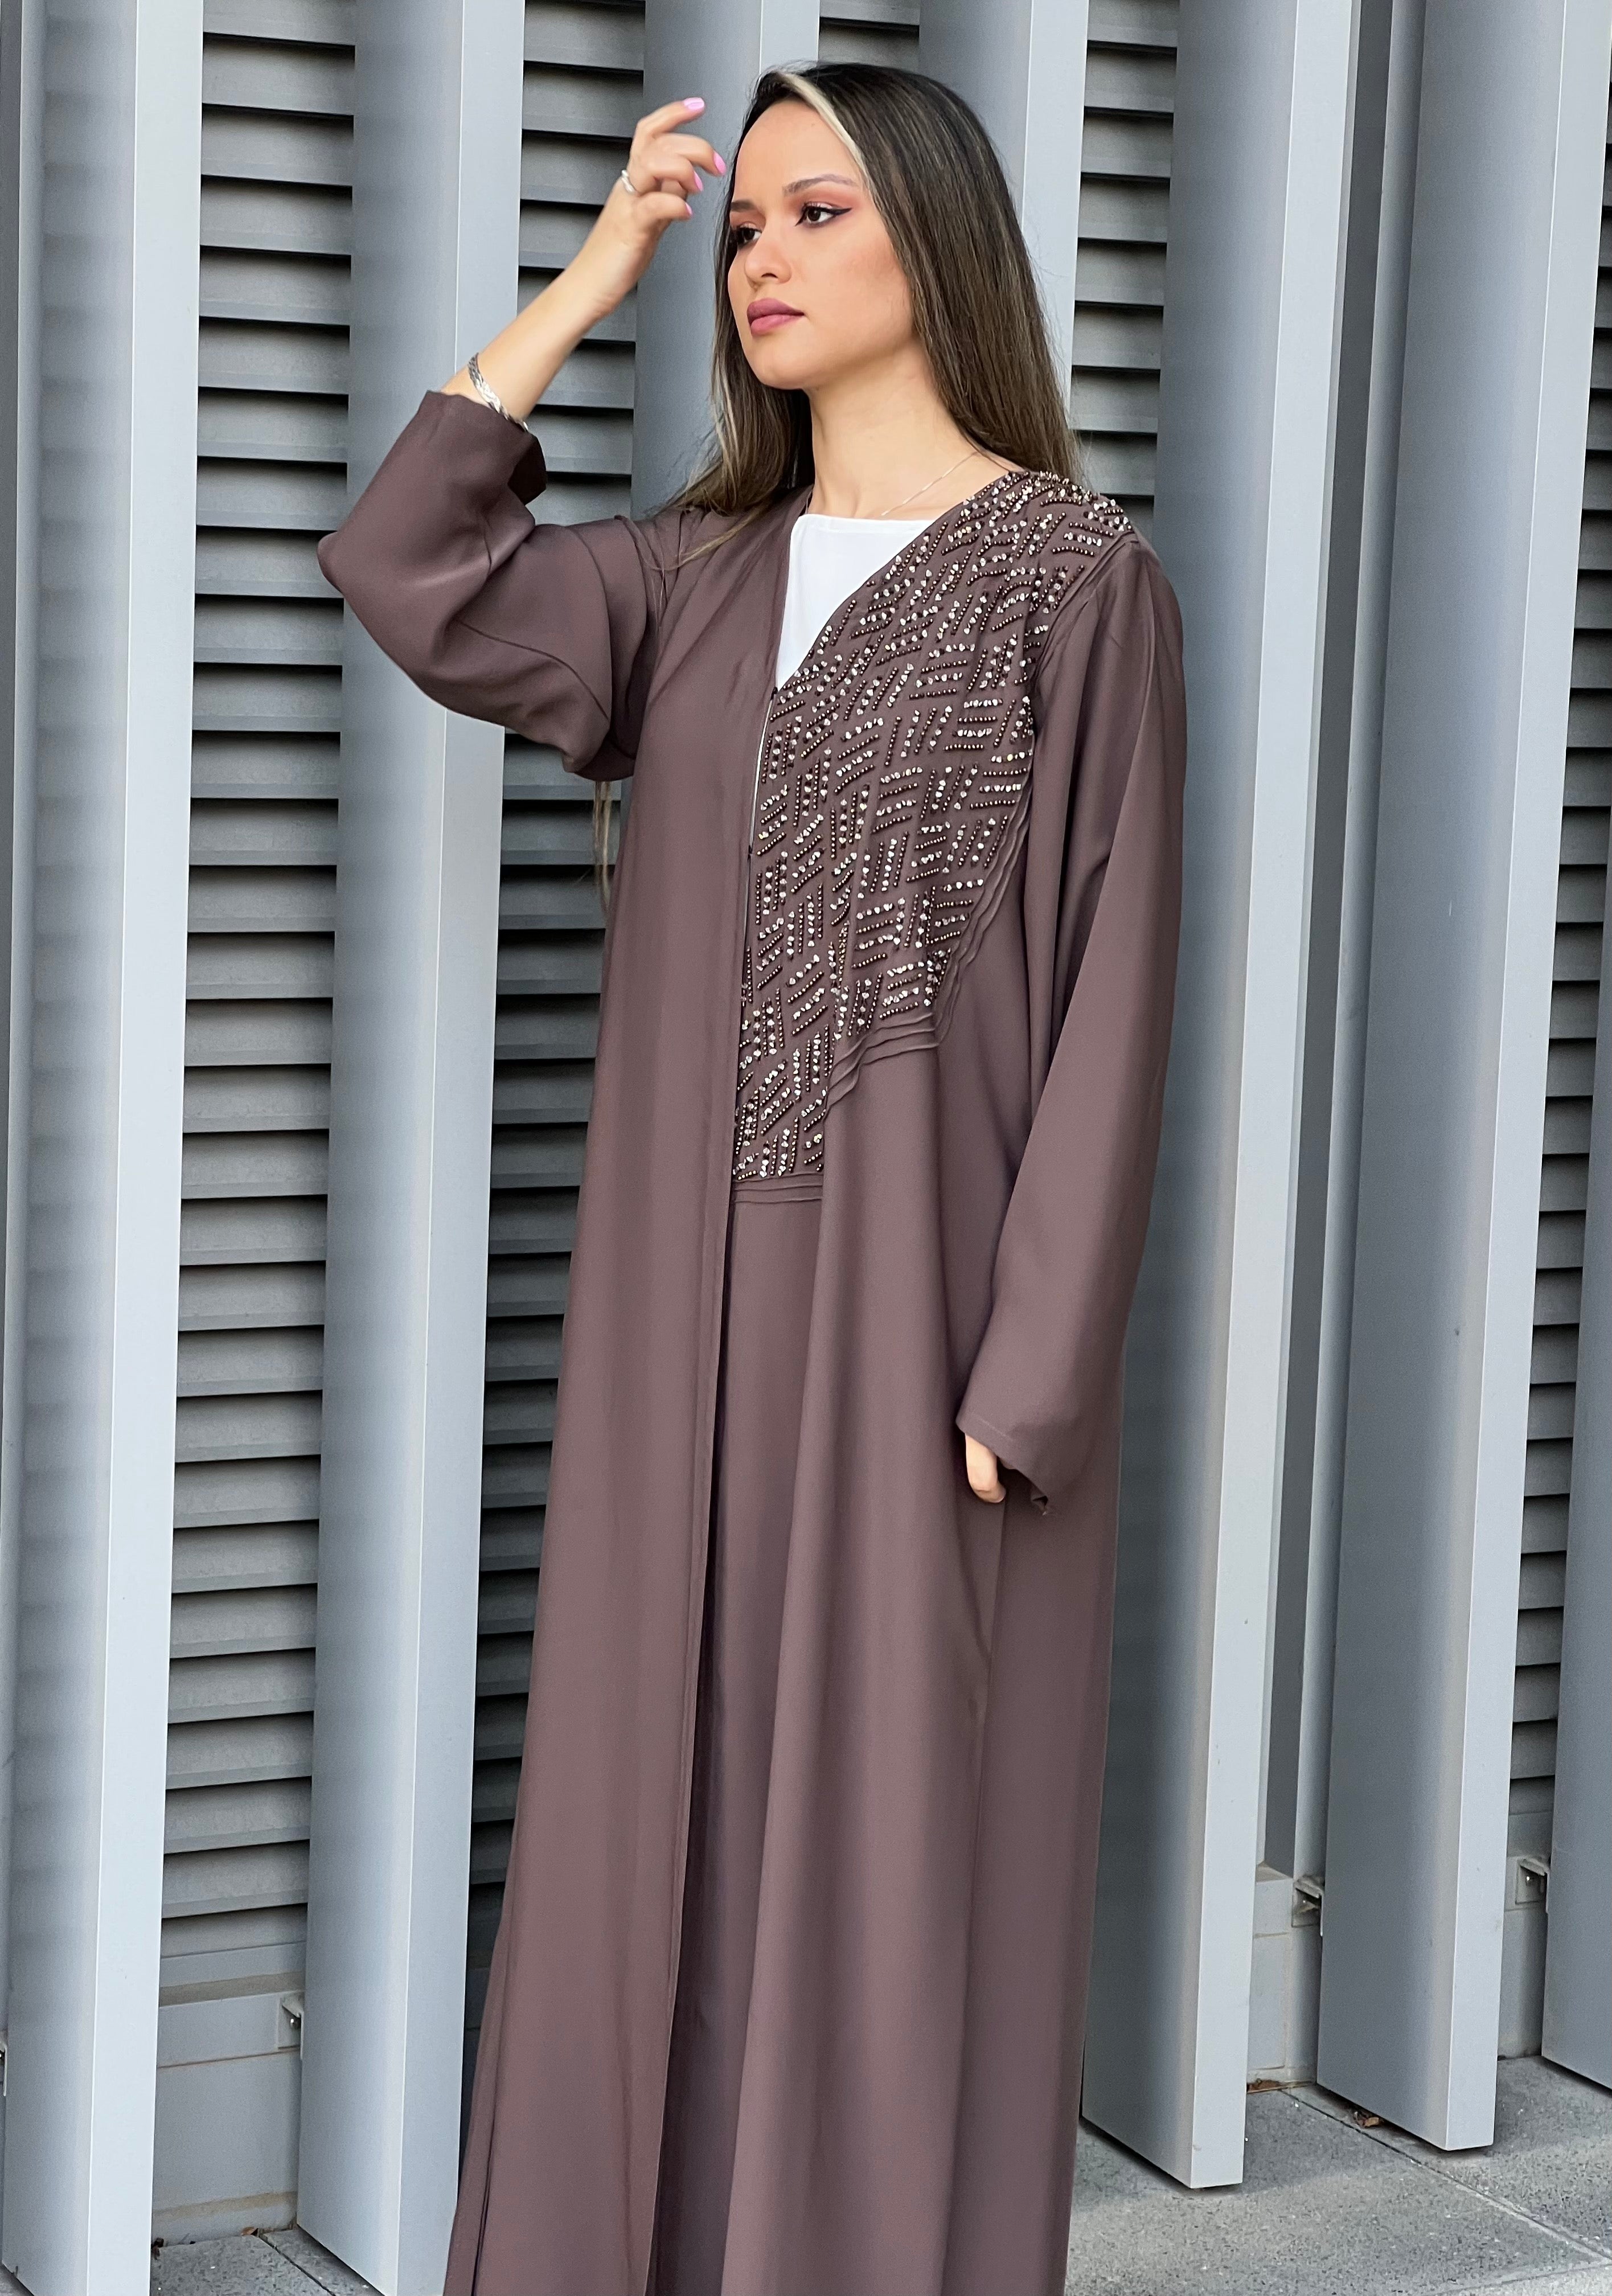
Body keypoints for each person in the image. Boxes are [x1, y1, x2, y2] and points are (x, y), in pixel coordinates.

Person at [317, 58, 1187, 2296]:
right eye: (740, 228)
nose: (760, 261)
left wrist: (1034, 1369)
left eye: (818, 213)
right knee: (652, 1816)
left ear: (938, 240)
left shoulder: (1074, 584)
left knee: (891, 1850)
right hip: (668, 1334)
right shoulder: (687, 581)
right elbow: (409, 568)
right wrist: (591, 270)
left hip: (926, 1339)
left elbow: (1117, 981)